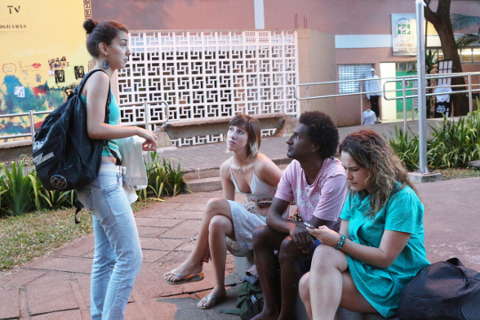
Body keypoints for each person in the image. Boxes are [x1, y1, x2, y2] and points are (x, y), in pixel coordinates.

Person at [299, 130, 430, 320]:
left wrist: (338, 241)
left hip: (394, 280)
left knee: (315, 271)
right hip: (366, 271)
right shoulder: (356, 192)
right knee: (308, 279)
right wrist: (332, 240)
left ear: (375, 166)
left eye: (354, 169)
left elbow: (385, 258)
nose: (347, 176)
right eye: (344, 168)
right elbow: (344, 241)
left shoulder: (402, 198)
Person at [75, 19, 158, 320]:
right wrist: (139, 129)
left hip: (101, 175)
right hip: (102, 178)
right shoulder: (99, 78)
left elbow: (101, 129)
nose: (127, 51)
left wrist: (133, 138)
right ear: (104, 47)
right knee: (130, 257)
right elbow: (96, 129)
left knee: (107, 256)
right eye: (122, 44)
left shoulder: (98, 77)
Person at [163, 114, 283, 309]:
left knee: (213, 204)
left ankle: (194, 261)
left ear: (251, 139)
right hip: (250, 219)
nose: (233, 135)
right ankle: (219, 287)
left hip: (271, 222)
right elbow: (227, 206)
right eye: (231, 130)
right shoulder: (226, 168)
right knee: (216, 222)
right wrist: (211, 237)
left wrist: (267, 203)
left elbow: (294, 192)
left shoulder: (262, 165)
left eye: (240, 132)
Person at [251, 111, 348, 320]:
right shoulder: (294, 168)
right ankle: (269, 310)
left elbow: (314, 229)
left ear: (314, 146)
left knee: (288, 245)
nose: (289, 140)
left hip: (331, 245)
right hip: (307, 233)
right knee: (260, 234)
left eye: (296, 136)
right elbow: (272, 216)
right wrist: (292, 227)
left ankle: (286, 316)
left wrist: (296, 229)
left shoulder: (335, 176)